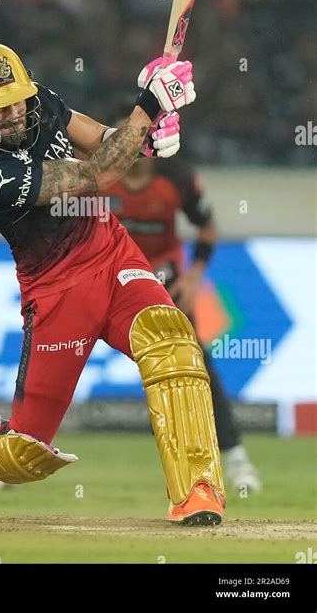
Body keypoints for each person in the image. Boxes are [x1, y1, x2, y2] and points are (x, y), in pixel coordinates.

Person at [0, 44, 226, 526]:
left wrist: (149, 136)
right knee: (27, 456)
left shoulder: (35, 102)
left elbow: (108, 145)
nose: (12, 113)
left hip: (113, 256)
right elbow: (97, 173)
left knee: (172, 341)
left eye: (16, 101)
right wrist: (148, 106)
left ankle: (198, 491)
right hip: (57, 292)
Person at [106, 152, 262, 492]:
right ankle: (19, 457)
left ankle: (237, 462)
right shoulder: (98, 175)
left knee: (199, 367)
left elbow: (207, 227)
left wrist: (193, 278)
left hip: (163, 284)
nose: (130, 147)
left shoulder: (176, 178)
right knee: (62, 352)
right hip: (109, 281)